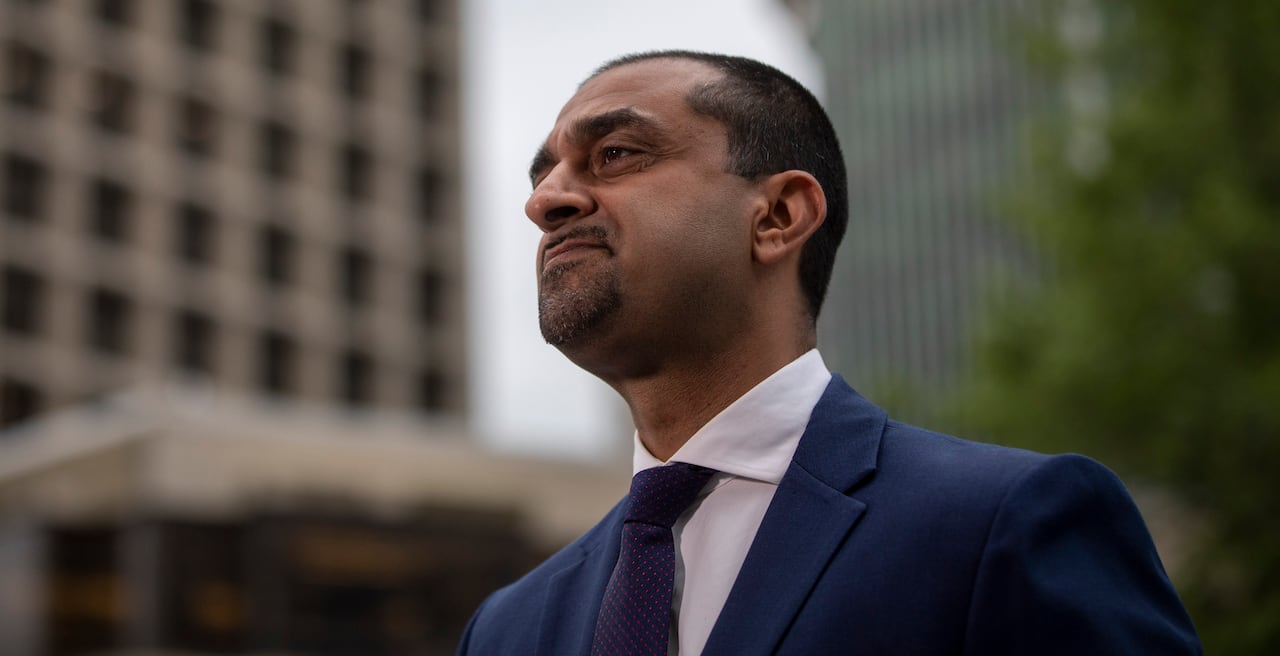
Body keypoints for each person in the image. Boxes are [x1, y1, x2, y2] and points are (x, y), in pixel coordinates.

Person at [457, 51, 1201, 655]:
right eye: (543, 176)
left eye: (615, 153)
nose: (545, 202)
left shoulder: (1005, 525)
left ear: (779, 215)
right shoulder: (505, 629)